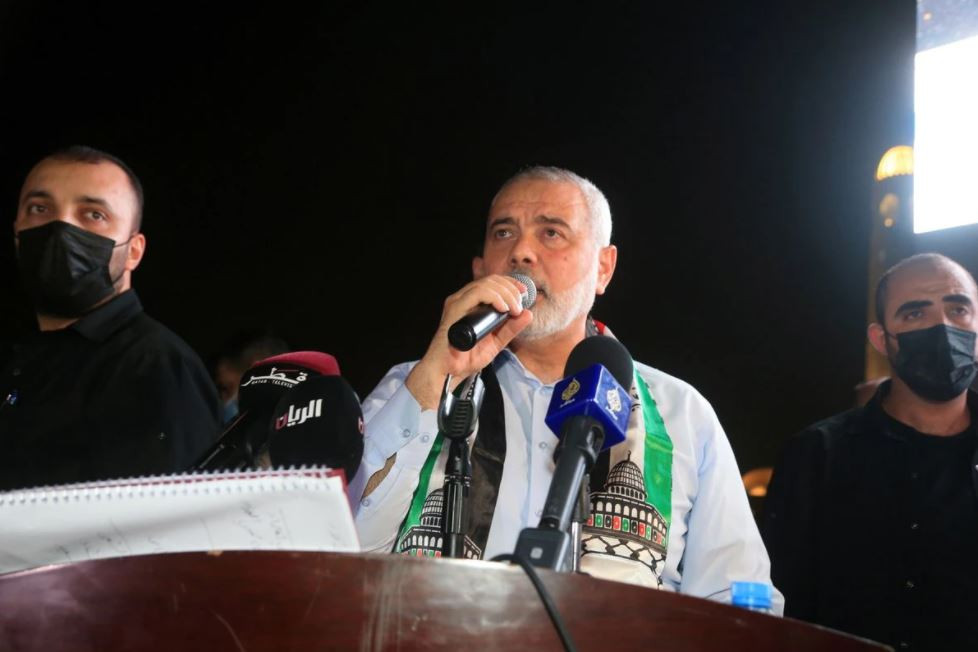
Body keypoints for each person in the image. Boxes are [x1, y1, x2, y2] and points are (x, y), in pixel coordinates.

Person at [350, 166, 781, 609]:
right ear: (479, 267)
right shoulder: (414, 386)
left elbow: (739, 602)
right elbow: (341, 553)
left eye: (551, 233)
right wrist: (437, 374)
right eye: (502, 233)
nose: (521, 253)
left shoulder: (680, 413)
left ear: (603, 268)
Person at [762, 253, 978, 650]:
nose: (942, 326)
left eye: (958, 308)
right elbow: (782, 607)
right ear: (882, 340)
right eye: (914, 315)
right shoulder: (817, 456)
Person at [0, 146, 219, 491]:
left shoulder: (156, 366)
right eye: (40, 209)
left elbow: (170, 530)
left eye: (94, 214)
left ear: (133, 250)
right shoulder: (20, 359)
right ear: (17, 233)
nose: (61, 227)